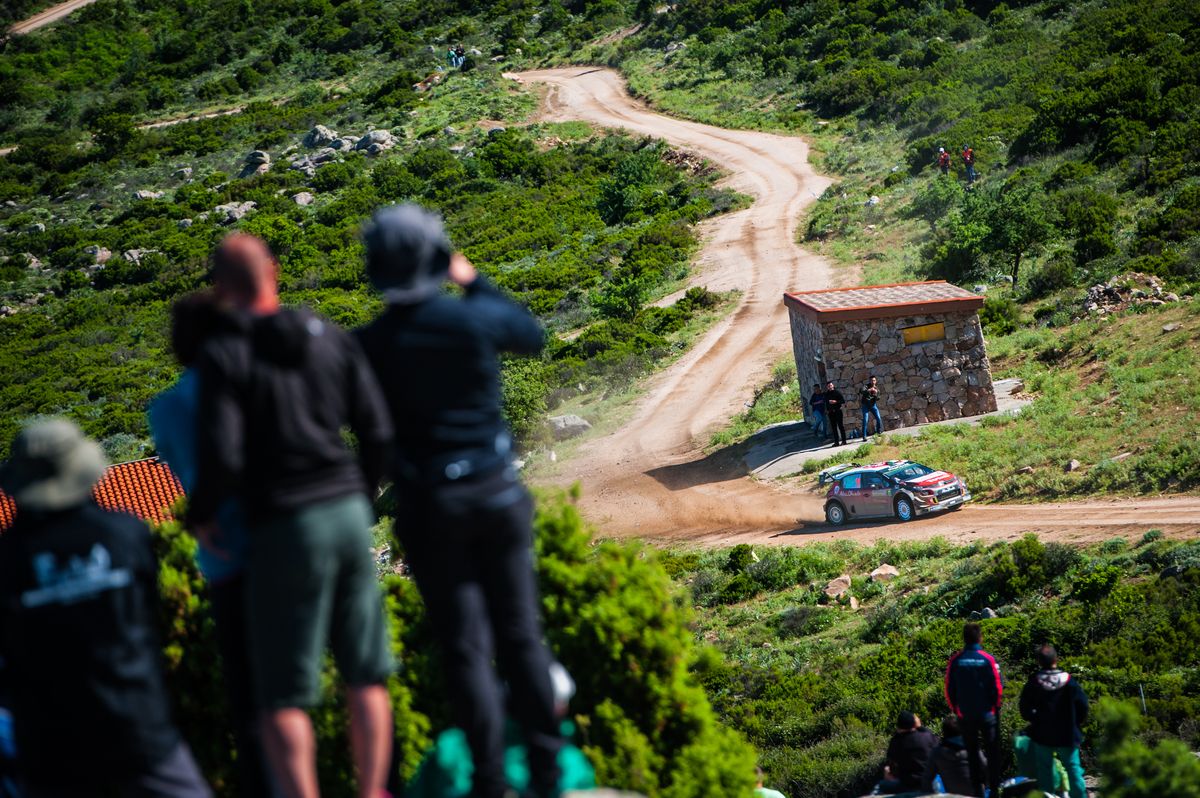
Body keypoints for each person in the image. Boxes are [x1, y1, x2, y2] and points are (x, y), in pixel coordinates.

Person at [354, 204, 563, 798]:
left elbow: (365, 435)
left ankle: (490, 782)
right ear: (437, 258)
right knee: (521, 636)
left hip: (429, 506)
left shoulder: (366, 346)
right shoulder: (470, 321)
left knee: (465, 650)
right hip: (494, 493)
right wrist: (472, 279)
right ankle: (547, 775)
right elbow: (531, 336)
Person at [189, 234, 395, 798]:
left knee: (282, 694)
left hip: (283, 524)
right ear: (275, 272)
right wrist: (361, 493)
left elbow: (223, 455)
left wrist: (201, 513)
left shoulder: (224, 354)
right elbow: (378, 429)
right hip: (345, 512)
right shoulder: (327, 334)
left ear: (221, 289)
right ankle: (374, 790)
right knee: (366, 672)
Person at [0, 419, 211, 798]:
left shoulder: (8, 559)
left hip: (49, 747)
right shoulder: (124, 533)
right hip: (138, 724)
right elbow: (151, 614)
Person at [148, 292, 273, 797]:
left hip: (224, 560)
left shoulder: (166, 409)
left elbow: (189, 477)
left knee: (248, 697)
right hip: (288, 542)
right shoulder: (261, 383)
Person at [1019, 645, 1089, 798]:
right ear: (1056, 659)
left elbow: (1024, 708)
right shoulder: (1069, 681)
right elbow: (1083, 706)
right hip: (1067, 733)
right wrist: (1076, 723)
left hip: (1042, 733)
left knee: (1045, 770)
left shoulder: (1034, 682)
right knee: (1073, 769)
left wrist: (1034, 720)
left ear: (1039, 662)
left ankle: (1048, 795)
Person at [945, 622, 1004, 798]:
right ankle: (995, 789)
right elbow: (997, 686)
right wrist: (995, 707)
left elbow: (949, 688)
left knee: (971, 753)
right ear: (980, 638)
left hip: (965, 715)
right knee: (993, 752)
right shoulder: (988, 659)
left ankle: (978, 790)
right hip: (987, 714)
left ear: (964, 639)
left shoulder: (956, 661)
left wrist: (956, 709)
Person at [922, 715, 985, 797]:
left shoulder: (937, 752)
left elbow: (927, 779)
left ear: (945, 732)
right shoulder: (972, 748)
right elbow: (985, 767)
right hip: (976, 793)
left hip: (953, 795)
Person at [877, 711, 937, 794]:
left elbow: (892, 767)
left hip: (907, 785)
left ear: (899, 726)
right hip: (929, 783)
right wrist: (920, 727)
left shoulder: (896, 741)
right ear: (915, 724)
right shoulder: (927, 736)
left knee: (880, 785)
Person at [823, 380, 847, 447]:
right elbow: (826, 403)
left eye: (830, 385)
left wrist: (835, 402)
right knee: (834, 428)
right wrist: (827, 410)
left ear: (833, 385)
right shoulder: (826, 394)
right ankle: (836, 442)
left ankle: (844, 441)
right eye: (828, 386)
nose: (830, 387)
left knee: (840, 426)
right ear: (827, 387)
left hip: (838, 411)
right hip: (831, 413)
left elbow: (842, 401)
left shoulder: (837, 392)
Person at [860, 376, 883, 441]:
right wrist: (869, 390)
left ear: (876, 381)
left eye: (874, 380)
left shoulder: (877, 389)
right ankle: (864, 436)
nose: (873, 382)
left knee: (878, 418)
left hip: (873, 405)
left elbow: (878, 398)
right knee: (865, 420)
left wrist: (875, 394)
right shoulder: (866, 386)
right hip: (865, 405)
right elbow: (861, 391)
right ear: (870, 381)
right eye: (872, 380)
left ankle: (878, 432)